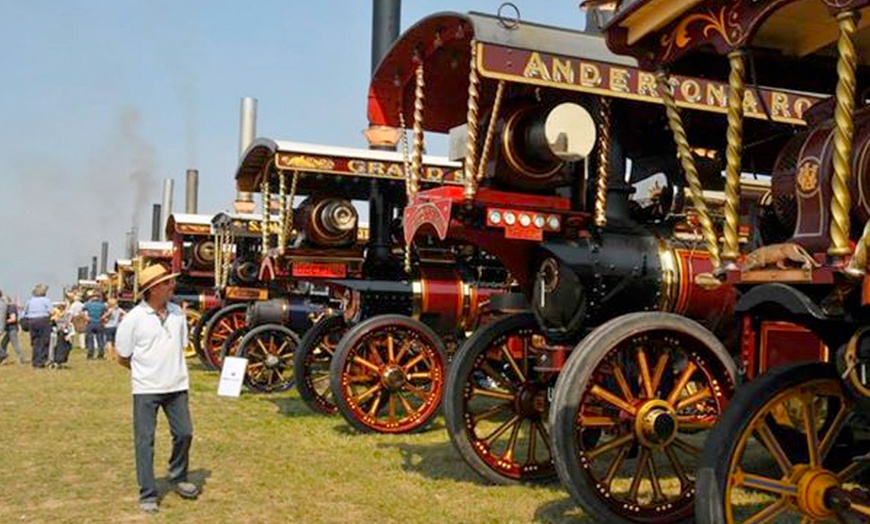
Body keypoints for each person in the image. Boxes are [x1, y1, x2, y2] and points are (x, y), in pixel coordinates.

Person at [115, 264, 200, 513]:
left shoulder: (177, 314)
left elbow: (182, 346)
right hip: (146, 389)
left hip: (177, 386)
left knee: (185, 433)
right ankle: (148, 493)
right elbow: (122, 355)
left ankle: (178, 476)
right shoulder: (133, 320)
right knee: (145, 441)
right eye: (167, 283)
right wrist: (144, 373)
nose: (172, 286)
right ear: (152, 290)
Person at [22, 284, 52, 368]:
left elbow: (24, 313)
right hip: (43, 320)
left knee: (35, 341)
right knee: (44, 341)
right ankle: (42, 360)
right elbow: (50, 311)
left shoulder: (30, 301)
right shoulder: (46, 300)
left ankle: (35, 360)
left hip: (31, 321)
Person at [0, 291, 26, 365]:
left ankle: (22, 358)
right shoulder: (7, 307)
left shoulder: (11, 307)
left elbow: (13, 319)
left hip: (12, 329)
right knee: (3, 344)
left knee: (15, 345)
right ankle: (2, 357)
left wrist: (4, 321)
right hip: (9, 329)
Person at [83, 291, 107, 359]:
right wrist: (103, 317)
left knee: (90, 339)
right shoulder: (102, 305)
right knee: (100, 339)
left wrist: (86, 318)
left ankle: (90, 353)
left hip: (90, 322)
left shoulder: (88, 304)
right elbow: (107, 312)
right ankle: (101, 353)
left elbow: (82, 312)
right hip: (99, 322)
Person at [49, 302, 73, 369]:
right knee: (55, 347)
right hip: (58, 333)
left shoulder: (66, 314)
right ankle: (56, 361)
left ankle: (58, 361)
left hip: (62, 332)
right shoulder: (56, 315)